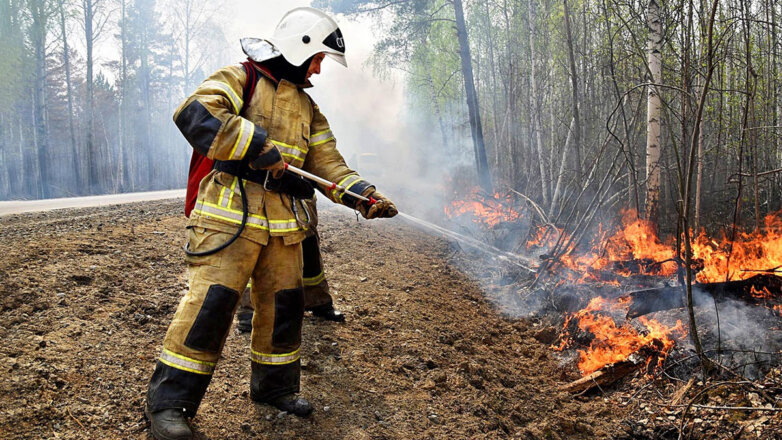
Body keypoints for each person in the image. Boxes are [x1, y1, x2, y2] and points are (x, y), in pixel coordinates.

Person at [144, 8, 397, 440]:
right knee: (211, 308)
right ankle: (168, 407)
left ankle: (274, 388)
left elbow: (327, 163)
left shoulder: (307, 107)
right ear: (299, 45)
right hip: (229, 218)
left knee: (284, 310)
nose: (319, 68)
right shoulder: (240, 77)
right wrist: (254, 145)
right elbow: (195, 111)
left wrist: (362, 195)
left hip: (284, 225)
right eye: (317, 58)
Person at [236, 196, 344, 333]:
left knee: (308, 247)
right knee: (257, 246)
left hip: (298, 193)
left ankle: (318, 301)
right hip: (259, 193)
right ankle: (249, 310)